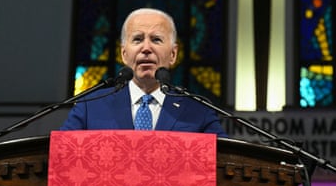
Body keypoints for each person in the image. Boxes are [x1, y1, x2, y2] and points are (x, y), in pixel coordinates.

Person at [60, 8, 228, 137]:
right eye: (137, 39)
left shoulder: (199, 111)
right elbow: (62, 154)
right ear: (124, 54)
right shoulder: (90, 106)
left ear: (173, 54)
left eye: (156, 39)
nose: (146, 48)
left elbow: (228, 161)